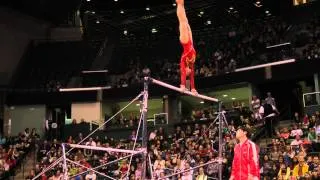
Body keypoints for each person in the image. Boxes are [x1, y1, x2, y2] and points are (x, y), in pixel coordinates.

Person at [176, 0, 197, 94]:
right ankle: (181, 4)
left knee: (182, 21)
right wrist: (193, 89)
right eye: (189, 72)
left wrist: (183, 85)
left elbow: (184, 57)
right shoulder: (191, 65)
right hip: (191, 42)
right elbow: (192, 77)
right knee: (186, 20)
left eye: (186, 72)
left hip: (185, 42)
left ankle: (179, 3)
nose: (188, 72)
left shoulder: (184, 64)